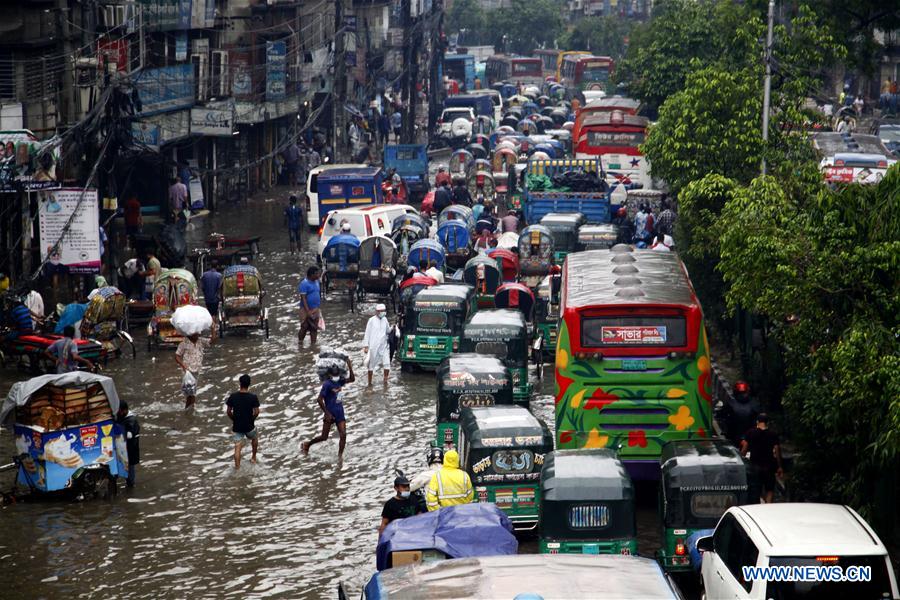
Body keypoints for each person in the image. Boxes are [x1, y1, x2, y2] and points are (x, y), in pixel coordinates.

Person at [302, 360, 355, 457]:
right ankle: (307, 444)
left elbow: (352, 379)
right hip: (330, 413)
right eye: (334, 375)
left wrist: (350, 367)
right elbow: (319, 399)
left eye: (337, 375)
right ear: (330, 375)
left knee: (343, 435)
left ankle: (340, 457)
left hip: (339, 412)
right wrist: (327, 413)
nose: (336, 377)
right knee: (324, 437)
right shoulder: (327, 384)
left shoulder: (340, 381)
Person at [740, 413, 783, 504]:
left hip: (755, 467)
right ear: (767, 423)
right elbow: (777, 451)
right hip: (769, 467)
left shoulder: (751, 433)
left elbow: (744, 449)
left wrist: (741, 459)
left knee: (756, 491)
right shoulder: (773, 434)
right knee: (770, 490)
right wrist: (779, 466)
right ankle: (768, 508)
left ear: (757, 422)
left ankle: (757, 510)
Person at [226, 374, 260, 470]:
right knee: (255, 437)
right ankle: (253, 457)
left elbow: (228, 412)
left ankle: (237, 468)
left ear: (240, 383)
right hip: (249, 426)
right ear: (249, 384)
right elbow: (257, 412)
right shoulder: (253, 397)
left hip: (237, 427)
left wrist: (234, 419)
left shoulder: (233, 396)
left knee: (237, 447)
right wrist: (251, 419)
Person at [175, 332, 210, 409]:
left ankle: (190, 410)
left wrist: (213, 329)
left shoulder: (200, 341)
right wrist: (183, 366)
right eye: (195, 334)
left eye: (198, 334)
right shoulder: (184, 343)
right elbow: (177, 356)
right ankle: (189, 411)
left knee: (193, 393)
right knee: (190, 394)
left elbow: (212, 341)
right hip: (187, 371)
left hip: (196, 370)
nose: (197, 335)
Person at [363, 303, 391, 386]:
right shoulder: (371, 320)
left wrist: (393, 328)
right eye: (381, 311)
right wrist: (366, 346)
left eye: (384, 311)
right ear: (377, 311)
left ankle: (385, 381)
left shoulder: (385, 319)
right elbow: (367, 333)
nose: (383, 312)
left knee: (387, 364)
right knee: (371, 365)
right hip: (374, 346)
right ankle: (369, 382)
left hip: (384, 345)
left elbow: (387, 331)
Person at [117, 401, 140, 487]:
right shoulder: (121, 417)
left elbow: (130, 434)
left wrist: (127, 433)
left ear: (125, 410)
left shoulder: (131, 420)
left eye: (120, 411)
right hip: (123, 447)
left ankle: (130, 485)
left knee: (130, 467)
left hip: (130, 448)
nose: (119, 413)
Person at [297, 266, 322, 345]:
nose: (319, 275)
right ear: (312, 274)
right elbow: (303, 298)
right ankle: (300, 342)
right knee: (304, 326)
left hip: (315, 308)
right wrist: (307, 311)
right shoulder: (304, 284)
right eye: (317, 274)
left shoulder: (317, 282)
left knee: (314, 328)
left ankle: (313, 345)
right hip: (305, 309)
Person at [200, 262, 223, 340]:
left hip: (207, 298)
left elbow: (202, 287)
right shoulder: (219, 275)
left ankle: (213, 332)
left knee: (210, 315)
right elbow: (219, 288)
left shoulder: (204, 275)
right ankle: (213, 333)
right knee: (214, 315)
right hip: (215, 298)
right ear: (216, 267)